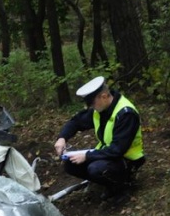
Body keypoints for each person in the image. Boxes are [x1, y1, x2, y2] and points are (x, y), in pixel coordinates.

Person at [54, 76, 145, 204]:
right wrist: (62, 138)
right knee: (70, 164)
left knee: (96, 169)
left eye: (91, 103)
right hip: (109, 155)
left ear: (103, 96)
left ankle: (122, 186)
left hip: (128, 160)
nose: (90, 107)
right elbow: (76, 121)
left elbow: (117, 150)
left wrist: (87, 155)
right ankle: (107, 182)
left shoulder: (126, 114)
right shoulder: (100, 109)